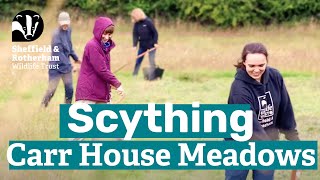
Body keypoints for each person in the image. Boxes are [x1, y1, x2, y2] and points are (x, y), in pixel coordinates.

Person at [226, 42, 300, 180]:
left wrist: (294, 140)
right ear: (244, 63)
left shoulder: (275, 77)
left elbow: (285, 110)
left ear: (267, 62)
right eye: (251, 66)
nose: (256, 70)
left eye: (261, 65)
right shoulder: (239, 90)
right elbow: (251, 126)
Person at [75, 17, 124, 104]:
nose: (106, 37)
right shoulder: (92, 46)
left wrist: (108, 90)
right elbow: (101, 70)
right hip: (88, 93)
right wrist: (117, 84)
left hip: (100, 92)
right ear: (98, 31)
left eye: (109, 34)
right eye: (104, 34)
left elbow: (105, 70)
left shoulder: (105, 47)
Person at [41, 11, 80, 107]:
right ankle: (42, 107)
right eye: (63, 23)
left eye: (66, 22)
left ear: (69, 21)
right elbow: (59, 55)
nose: (65, 25)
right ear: (59, 22)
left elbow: (69, 46)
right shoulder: (56, 35)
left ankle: (67, 110)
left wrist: (76, 58)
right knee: (52, 90)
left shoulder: (68, 30)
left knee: (69, 89)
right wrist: (70, 66)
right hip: (56, 67)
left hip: (66, 66)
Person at [131, 8, 159, 80]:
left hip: (151, 45)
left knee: (151, 61)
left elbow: (155, 33)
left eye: (134, 17)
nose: (133, 19)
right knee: (138, 60)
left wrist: (155, 43)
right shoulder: (136, 24)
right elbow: (135, 35)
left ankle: (153, 76)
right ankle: (135, 74)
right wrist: (134, 45)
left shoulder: (148, 22)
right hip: (142, 45)